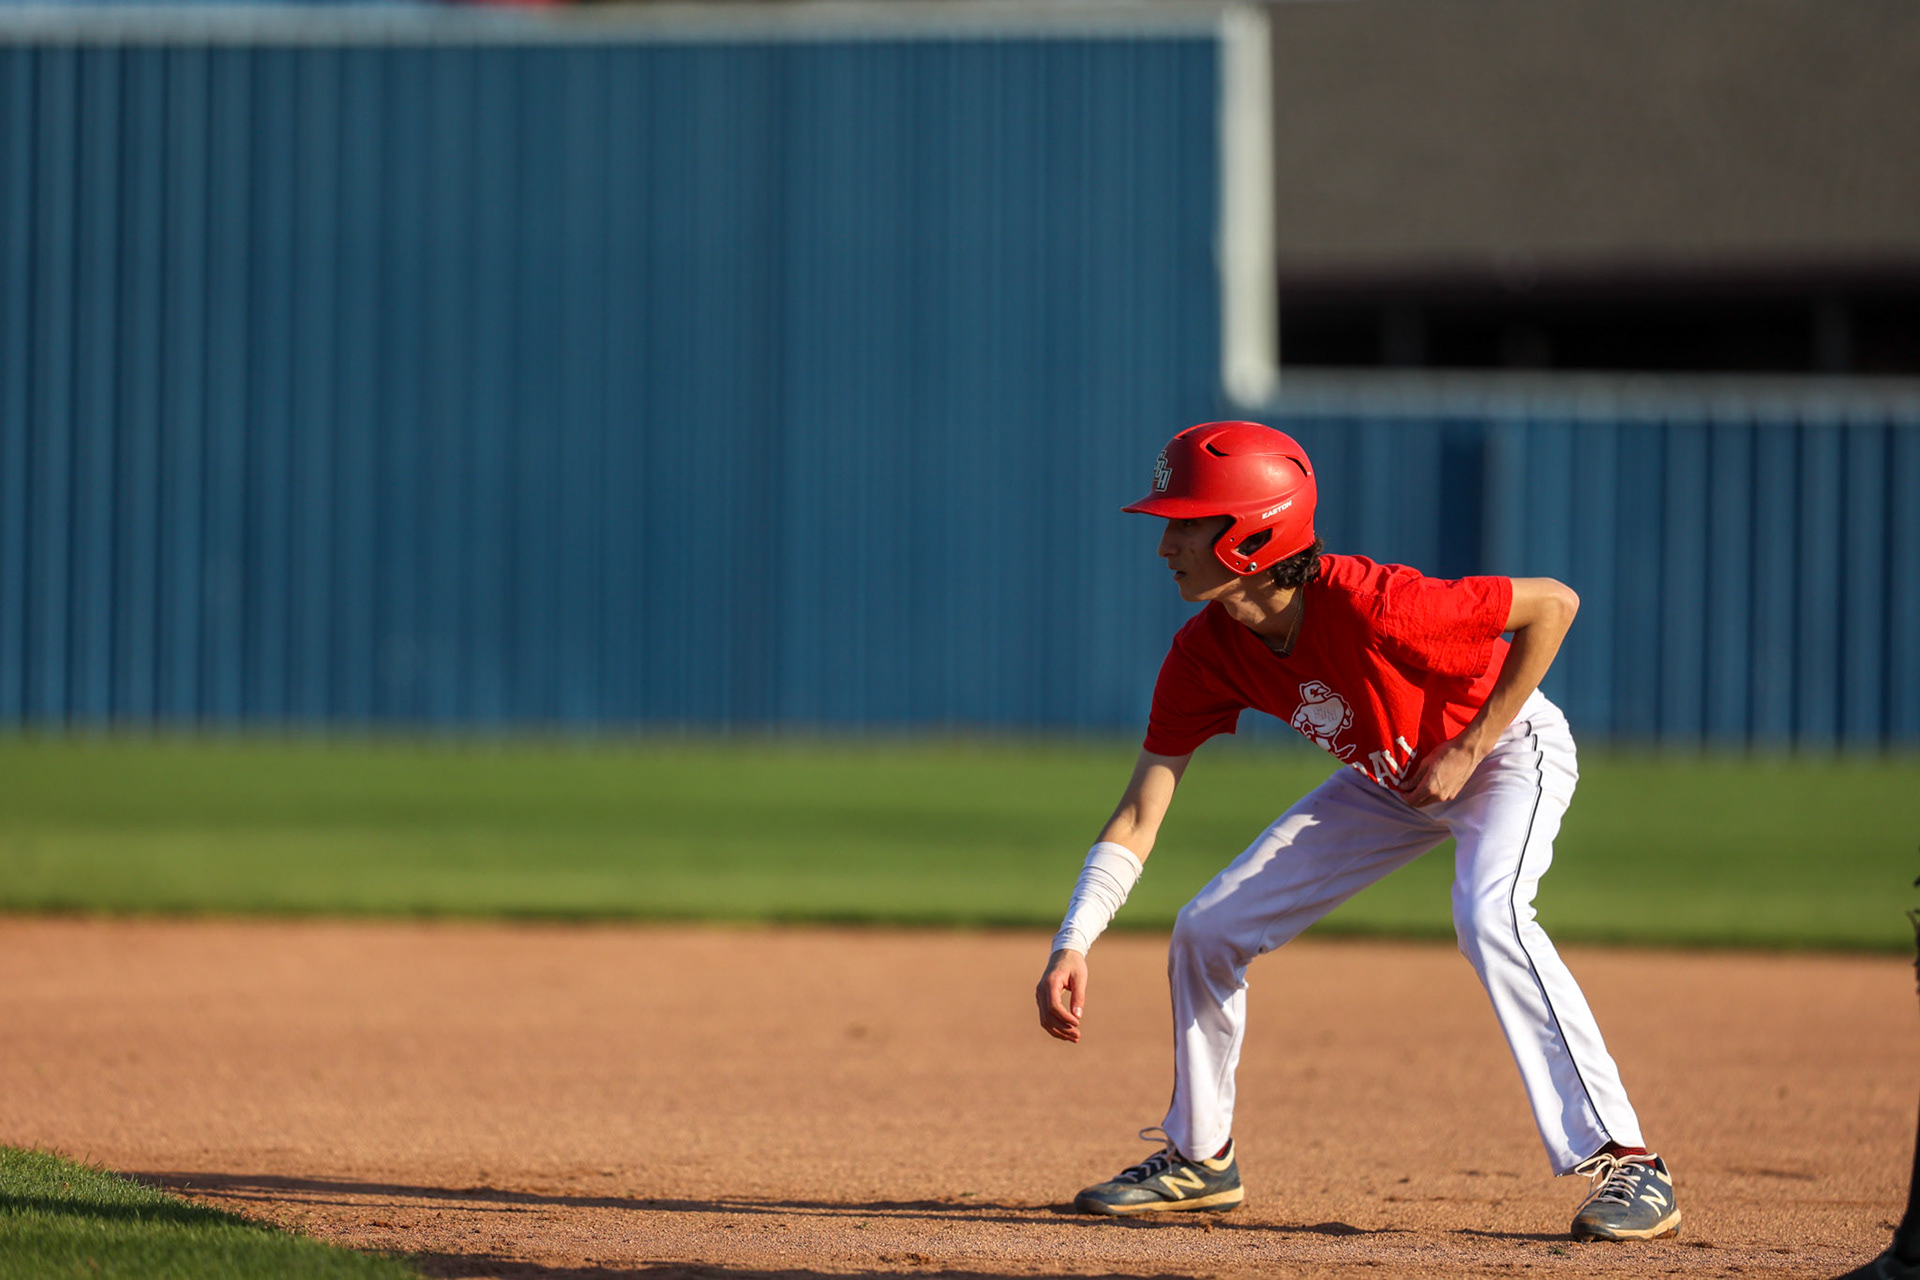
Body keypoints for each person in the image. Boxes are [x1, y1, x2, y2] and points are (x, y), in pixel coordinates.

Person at [1033, 420, 1680, 1242]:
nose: (1165, 543)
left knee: (1491, 916)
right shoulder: (1206, 653)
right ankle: (1200, 1158)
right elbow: (1138, 811)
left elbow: (1554, 604)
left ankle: (1631, 1163)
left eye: (1185, 521)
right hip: (1392, 779)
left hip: (1507, 750)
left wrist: (1471, 744)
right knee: (1208, 929)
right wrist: (1074, 940)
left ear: (1251, 531)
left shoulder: (1377, 602)